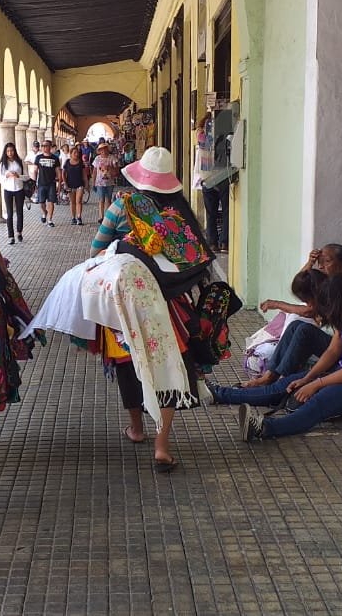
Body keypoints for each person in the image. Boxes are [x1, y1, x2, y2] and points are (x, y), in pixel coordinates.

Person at [89, 146, 216, 471]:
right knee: (170, 366)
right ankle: (162, 445)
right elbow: (198, 262)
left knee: (129, 366)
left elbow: (96, 250)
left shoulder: (122, 205)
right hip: (171, 307)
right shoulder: (180, 212)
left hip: (126, 307)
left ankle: (137, 428)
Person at [211, 273, 342, 442]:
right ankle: (218, 393)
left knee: (317, 403)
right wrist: (309, 377)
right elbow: (333, 351)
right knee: (283, 386)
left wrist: (316, 384)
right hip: (340, 369)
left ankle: (263, 427)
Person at [241, 244, 342, 387]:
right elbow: (304, 283)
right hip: (331, 343)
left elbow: (309, 309)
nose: (321, 267)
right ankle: (270, 375)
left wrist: (276, 304)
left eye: (327, 261)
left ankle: (281, 380)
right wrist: (310, 263)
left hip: (341, 350)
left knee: (303, 330)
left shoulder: (341, 289)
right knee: (295, 325)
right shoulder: (326, 284)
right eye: (320, 262)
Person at [0, 142, 26, 245]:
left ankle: (19, 232)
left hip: (19, 188)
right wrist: (7, 175)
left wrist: (19, 176)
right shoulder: (3, 164)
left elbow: (26, 177)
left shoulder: (19, 162)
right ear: (5, 152)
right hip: (8, 190)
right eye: (8, 151)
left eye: (12, 150)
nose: (10, 153)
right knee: (9, 213)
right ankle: (11, 236)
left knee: (20, 212)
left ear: (15, 151)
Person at [33, 140, 61, 227]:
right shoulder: (38, 157)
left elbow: (58, 171)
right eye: (43, 146)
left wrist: (59, 183)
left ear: (50, 147)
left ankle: (50, 219)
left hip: (51, 183)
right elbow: (35, 170)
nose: (44, 147)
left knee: (51, 202)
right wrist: (34, 183)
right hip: (41, 183)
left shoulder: (55, 158)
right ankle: (45, 212)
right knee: (41, 202)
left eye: (46, 146)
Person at [92, 142, 120, 225]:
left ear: (107, 149)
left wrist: (111, 168)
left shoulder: (112, 158)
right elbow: (94, 171)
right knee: (101, 199)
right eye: (101, 149)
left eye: (105, 148)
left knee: (108, 199)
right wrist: (93, 183)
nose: (103, 151)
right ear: (99, 151)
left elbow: (117, 169)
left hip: (109, 183)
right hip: (99, 183)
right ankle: (101, 217)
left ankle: (108, 216)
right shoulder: (97, 159)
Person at [62, 146, 88, 225]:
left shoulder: (81, 163)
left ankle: (79, 217)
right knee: (72, 202)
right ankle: (73, 217)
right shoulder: (67, 162)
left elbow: (84, 175)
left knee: (79, 201)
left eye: (77, 153)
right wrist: (65, 184)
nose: (76, 154)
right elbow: (63, 174)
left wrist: (86, 184)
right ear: (71, 154)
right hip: (70, 185)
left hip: (79, 184)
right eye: (74, 153)